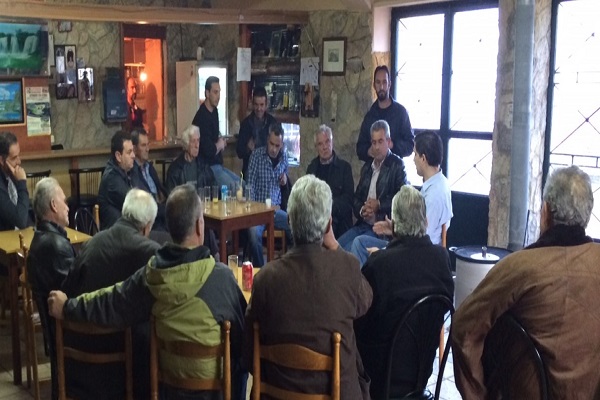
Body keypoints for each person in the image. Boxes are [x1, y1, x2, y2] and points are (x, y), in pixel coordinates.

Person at [48, 185, 248, 400]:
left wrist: (67, 307)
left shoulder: (152, 275)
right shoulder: (221, 278)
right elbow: (244, 339)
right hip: (212, 393)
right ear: (200, 226)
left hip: (167, 390)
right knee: (240, 360)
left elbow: (110, 301)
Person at [452, 165, 600, 399]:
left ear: (545, 212)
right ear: (588, 215)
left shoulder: (520, 267)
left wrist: (478, 393)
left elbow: (464, 327)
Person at [243, 174, 373, 399]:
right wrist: (336, 246)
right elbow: (366, 301)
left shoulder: (266, 279)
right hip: (338, 393)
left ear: (289, 221)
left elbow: (249, 353)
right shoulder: (348, 268)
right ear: (328, 224)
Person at [355, 185, 454, 399]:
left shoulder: (380, 265)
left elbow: (360, 320)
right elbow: (444, 307)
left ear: (395, 224)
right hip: (421, 373)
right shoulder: (441, 260)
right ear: (425, 221)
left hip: (381, 377)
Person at [59, 188, 159, 399]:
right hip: (126, 360)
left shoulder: (91, 244)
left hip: (82, 353)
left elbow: (67, 291)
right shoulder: (151, 253)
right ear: (147, 226)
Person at [350, 130, 453, 266]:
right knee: (359, 242)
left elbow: (419, 242)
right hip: (413, 248)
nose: (413, 159)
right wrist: (393, 229)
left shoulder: (433, 196)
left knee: (361, 247)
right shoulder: (440, 182)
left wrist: (383, 252)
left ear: (423, 158)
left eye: (415, 154)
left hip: (417, 258)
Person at [27, 177, 75, 400]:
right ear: (54, 205)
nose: (68, 206)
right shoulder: (56, 246)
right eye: (64, 201)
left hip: (55, 333)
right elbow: (77, 293)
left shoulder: (40, 238)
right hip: (70, 334)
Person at [337, 120, 407, 251]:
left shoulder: (397, 166)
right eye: (374, 143)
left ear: (388, 142)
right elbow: (356, 198)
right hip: (363, 224)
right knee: (336, 248)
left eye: (380, 141)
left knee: (353, 248)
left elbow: (401, 200)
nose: (377, 147)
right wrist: (362, 210)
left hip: (382, 229)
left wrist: (379, 204)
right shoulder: (367, 167)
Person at [247, 122, 292, 266]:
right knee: (253, 234)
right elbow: (250, 186)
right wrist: (254, 210)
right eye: (271, 144)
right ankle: (261, 270)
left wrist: (285, 180)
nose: (273, 149)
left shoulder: (284, 158)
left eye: (277, 146)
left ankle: (292, 265)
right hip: (259, 210)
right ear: (267, 140)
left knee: (297, 226)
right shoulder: (256, 156)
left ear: (282, 145)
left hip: (275, 210)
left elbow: (286, 186)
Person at [356, 65, 414, 162]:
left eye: (384, 82)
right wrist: (369, 151)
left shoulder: (401, 113)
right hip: (374, 168)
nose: (381, 87)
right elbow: (360, 148)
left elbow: (410, 145)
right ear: (374, 85)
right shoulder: (370, 115)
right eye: (378, 82)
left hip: (395, 168)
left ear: (389, 84)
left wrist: (392, 145)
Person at [306, 125, 354, 238]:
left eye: (327, 142)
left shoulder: (344, 168)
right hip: (317, 221)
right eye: (320, 144)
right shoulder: (312, 168)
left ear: (332, 142)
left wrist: (328, 207)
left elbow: (348, 199)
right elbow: (307, 197)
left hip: (339, 221)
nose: (325, 147)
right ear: (316, 147)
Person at [192, 75, 238, 188]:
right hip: (207, 168)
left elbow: (214, 136)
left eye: (219, 92)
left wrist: (220, 140)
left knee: (243, 184)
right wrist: (220, 144)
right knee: (235, 188)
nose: (218, 96)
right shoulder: (201, 117)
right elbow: (208, 151)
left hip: (218, 164)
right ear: (207, 93)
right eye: (215, 92)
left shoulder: (215, 111)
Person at [130, 127, 168, 231]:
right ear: (134, 149)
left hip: (160, 213)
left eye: (148, 144)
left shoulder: (149, 167)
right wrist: (169, 210)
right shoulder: (133, 171)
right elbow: (146, 203)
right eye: (143, 145)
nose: (147, 149)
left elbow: (162, 191)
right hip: (149, 220)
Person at [236, 86, 277, 179]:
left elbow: (279, 150)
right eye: (256, 105)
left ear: (266, 105)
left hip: (268, 170)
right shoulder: (246, 124)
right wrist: (247, 148)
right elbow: (239, 152)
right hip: (250, 170)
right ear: (252, 104)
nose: (259, 108)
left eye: (261, 105)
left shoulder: (272, 123)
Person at [97, 130, 135, 229]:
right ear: (118, 156)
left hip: (126, 230)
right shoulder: (112, 179)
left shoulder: (125, 171)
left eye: (133, 151)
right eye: (129, 152)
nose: (133, 156)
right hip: (116, 235)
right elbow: (134, 205)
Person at [165, 125, 215, 194]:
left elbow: (214, 189)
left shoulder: (204, 166)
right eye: (193, 141)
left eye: (198, 140)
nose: (197, 145)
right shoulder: (175, 169)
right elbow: (172, 197)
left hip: (201, 200)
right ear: (186, 144)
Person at [0, 131, 30, 230]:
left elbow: (24, 212)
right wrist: (22, 183)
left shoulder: (10, 175)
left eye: (18, 156)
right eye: (14, 158)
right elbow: (20, 220)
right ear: (1, 160)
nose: (19, 161)